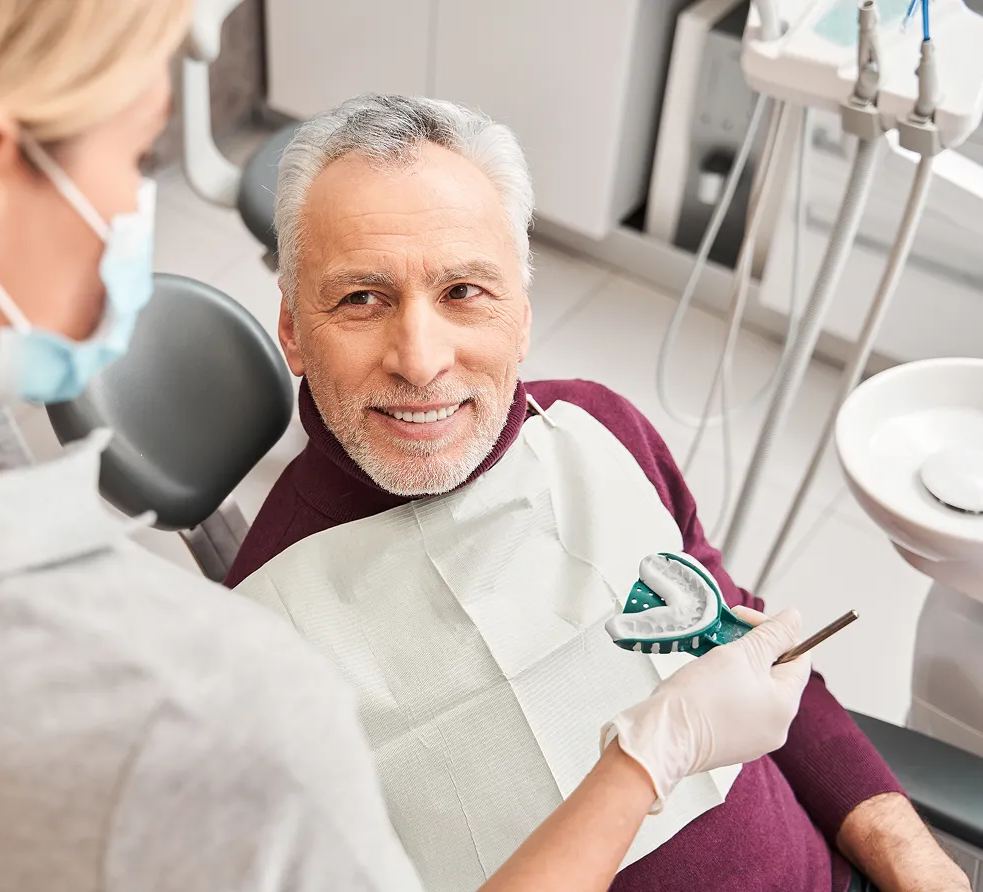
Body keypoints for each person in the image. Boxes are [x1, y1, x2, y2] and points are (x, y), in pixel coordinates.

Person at [0, 3, 812, 891]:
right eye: (138, 150)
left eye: (466, 289)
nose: (421, 356)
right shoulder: (212, 708)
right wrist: (646, 762)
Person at [227, 94, 972, 892]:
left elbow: (747, 639)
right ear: (295, 331)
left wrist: (912, 855)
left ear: (522, 312)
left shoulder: (598, 427)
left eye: (464, 292)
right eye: (361, 299)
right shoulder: (258, 644)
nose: (420, 359)